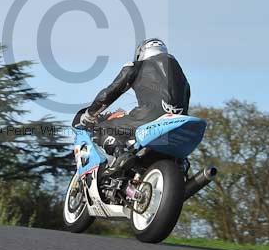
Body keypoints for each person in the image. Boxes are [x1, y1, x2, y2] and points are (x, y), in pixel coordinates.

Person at [79, 38, 191, 173]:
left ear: (141, 52)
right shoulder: (182, 77)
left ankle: (120, 156)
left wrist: (90, 114)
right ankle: (181, 162)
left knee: (102, 129)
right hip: (180, 122)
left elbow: (110, 92)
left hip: (150, 118)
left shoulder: (137, 66)